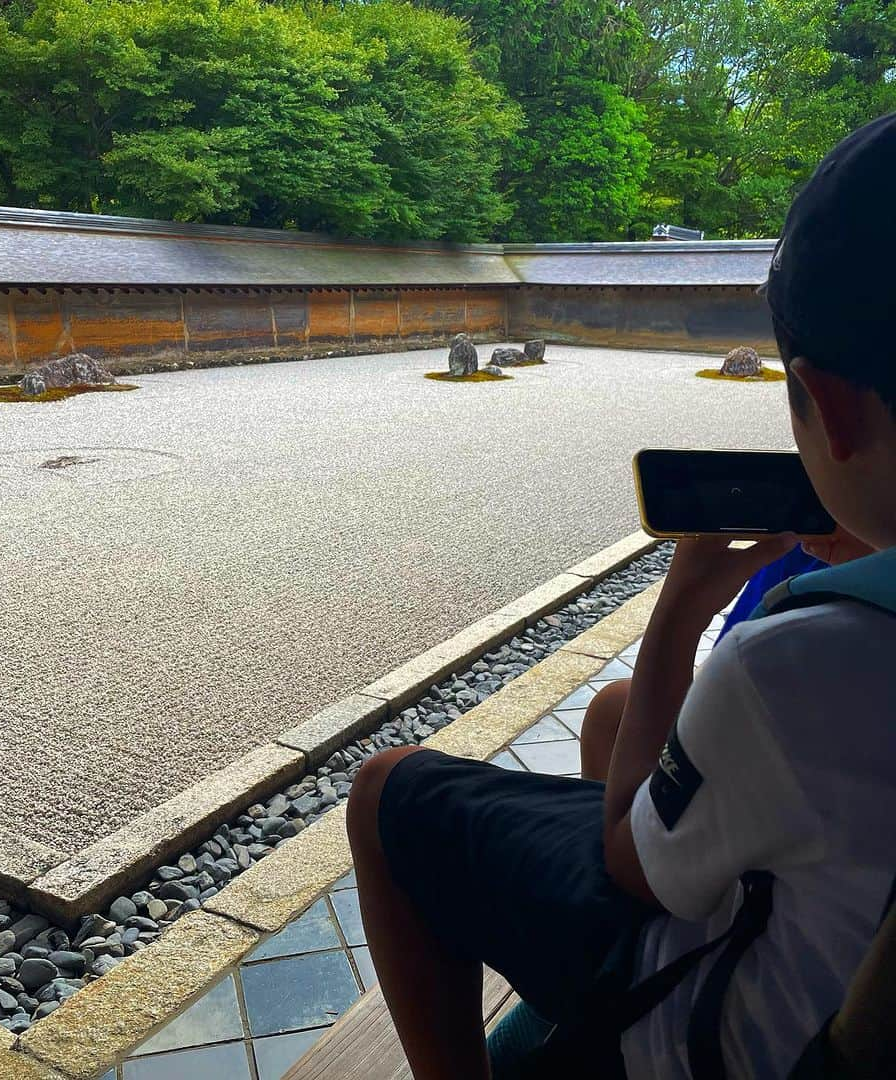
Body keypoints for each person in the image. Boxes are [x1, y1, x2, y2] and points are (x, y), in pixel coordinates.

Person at [346, 113, 896, 1079]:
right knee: (608, 713)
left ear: (832, 407)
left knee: (389, 788)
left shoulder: (810, 657)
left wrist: (680, 609)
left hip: (735, 1033)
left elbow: (631, 865)